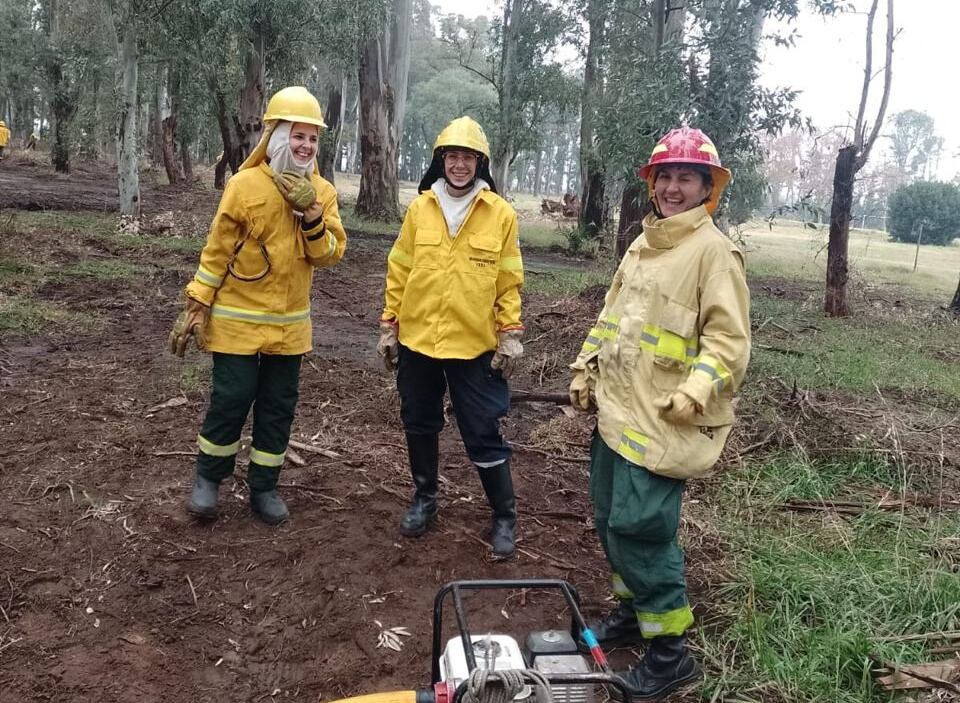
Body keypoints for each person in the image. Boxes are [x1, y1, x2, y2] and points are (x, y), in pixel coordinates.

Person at [568, 127, 750, 700]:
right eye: (665, 176)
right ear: (653, 183)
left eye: (686, 177)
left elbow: (729, 342)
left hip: (664, 424)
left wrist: (697, 389)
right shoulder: (642, 245)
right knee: (609, 521)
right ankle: (632, 616)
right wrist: (584, 367)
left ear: (707, 188)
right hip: (617, 415)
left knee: (642, 532)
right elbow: (611, 316)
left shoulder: (713, 253)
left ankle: (671, 654)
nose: (673, 187)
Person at [169, 86, 347, 525]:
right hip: (237, 323)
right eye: (298, 136)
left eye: (313, 139)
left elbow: (328, 255)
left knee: (277, 407)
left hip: (289, 330)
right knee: (231, 398)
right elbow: (217, 251)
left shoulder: (321, 191)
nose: (306, 146)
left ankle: (264, 487)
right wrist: (196, 304)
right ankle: (208, 480)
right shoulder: (245, 185)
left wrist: (311, 216)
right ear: (276, 136)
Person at [377, 116, 525, 559]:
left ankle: (503, 515)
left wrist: (510, 333)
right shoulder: (419, 209)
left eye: (468, 157)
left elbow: (508, 279)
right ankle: (425, 500)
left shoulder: (500, 214)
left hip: (473, 344)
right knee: (419, 421)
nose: (459, 165)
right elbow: (399, 268)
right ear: (441, 160)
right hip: (418, 339)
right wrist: (389, 326)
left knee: (482, 429)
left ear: (481, 163)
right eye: (452, 156)